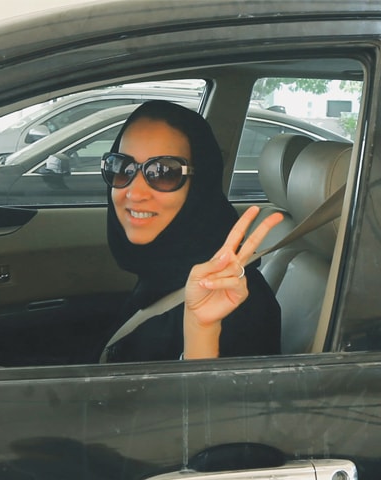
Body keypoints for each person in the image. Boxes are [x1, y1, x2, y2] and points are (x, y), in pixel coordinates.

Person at [100, 100, 283, 362]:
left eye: (164, 172)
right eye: (121, 168)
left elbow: (219, 403)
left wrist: (202, 331)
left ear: (200, 184)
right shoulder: (162, 266)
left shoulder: (235, 300)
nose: (134, 192)